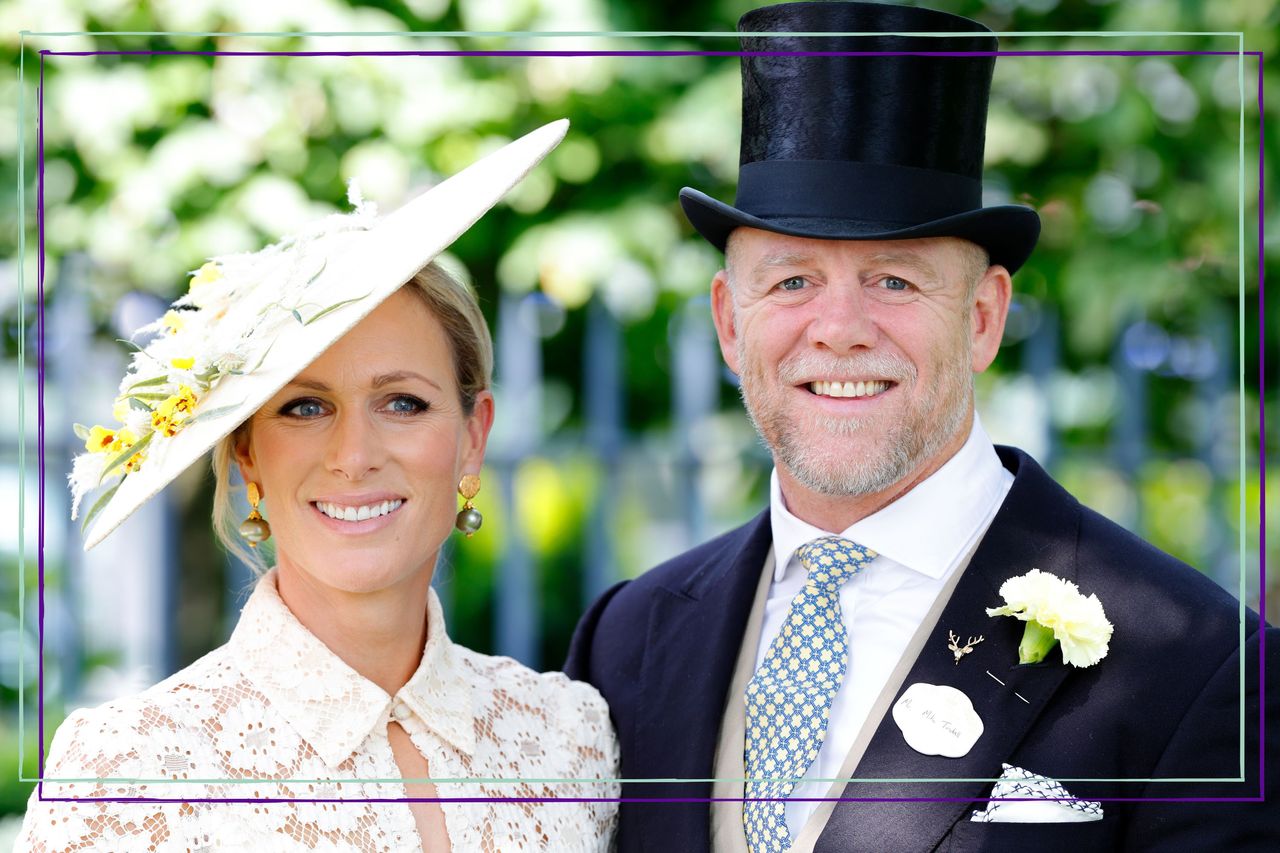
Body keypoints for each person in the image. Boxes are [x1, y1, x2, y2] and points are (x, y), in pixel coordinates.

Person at [564, 3, 1277, 852]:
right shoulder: (628, 639)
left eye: (895, 281)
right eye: (790, 281)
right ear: (729, 321)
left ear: (982, 317)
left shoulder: (1200, 666)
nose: (839, 328)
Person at [20, 120, 618, 852]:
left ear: (473, 436)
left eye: (403, 402)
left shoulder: (571, 739)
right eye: (305, 407)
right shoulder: (125, 774)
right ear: (246, 454)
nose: (354, 454)